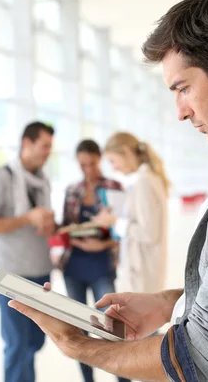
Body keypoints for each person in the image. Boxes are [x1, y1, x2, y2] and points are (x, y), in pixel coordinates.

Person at [7, 0, 208, 382]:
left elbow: (200, 355)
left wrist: (79, 346)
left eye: (182, 88)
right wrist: (167, 304)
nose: (180, 111)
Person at [0, 121, 56, 382]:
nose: (48, 153)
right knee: (17, 344)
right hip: (12, 273)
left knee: (35, 341)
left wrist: (48, 224)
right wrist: (27, 218)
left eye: (50, 148)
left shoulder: (43, 180)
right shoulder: (0, 178)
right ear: (27, 144)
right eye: (44, 147)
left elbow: (39, 221)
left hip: (40, 269)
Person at [60, 139, 127, 382]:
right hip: (74, 265)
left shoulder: (113, 187)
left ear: (100, 159)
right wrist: (74, 237)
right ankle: (87, 379)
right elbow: (65, 226)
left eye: (92, 163)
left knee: (110, 326)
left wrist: (104, 244)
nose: (88, 169)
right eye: (82, 165)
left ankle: (123, 377)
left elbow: (122, 229)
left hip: (101, 263)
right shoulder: (72, 190)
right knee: (79, 329)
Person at [92, 132, 170, 296]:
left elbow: (148, 233)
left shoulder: (144, 182)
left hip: (142, 274)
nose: (114, 167)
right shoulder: (145, 180)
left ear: (126, 152)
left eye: (113, 161)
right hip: (143, 272)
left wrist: (114, 221)